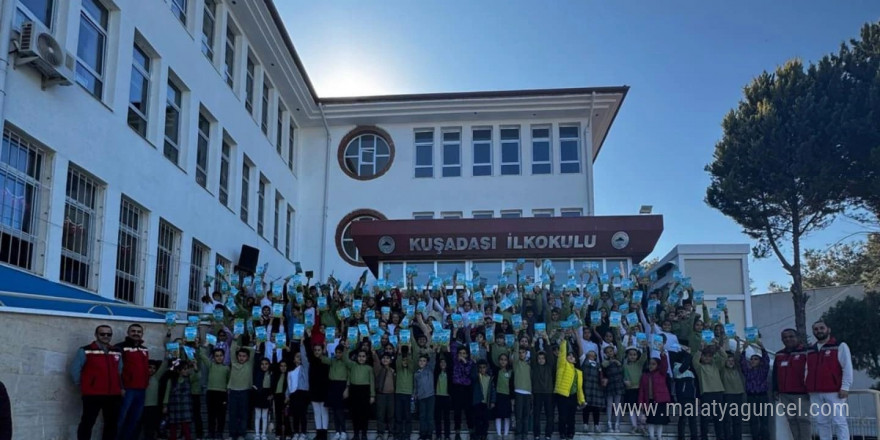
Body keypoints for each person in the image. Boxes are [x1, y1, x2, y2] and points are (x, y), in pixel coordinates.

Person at [70, 325, 123, 440]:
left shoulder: (116, 351)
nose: (105, 336)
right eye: (102, 334)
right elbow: (75, 369)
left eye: (108, 334)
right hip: (93, 394)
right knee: (87, 423)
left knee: (111, 424)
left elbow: (120, 371)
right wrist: (85, 385)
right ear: (96, 335)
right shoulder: (85, 350)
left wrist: (121, 388)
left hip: (113, 394)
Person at [805, 320, 853, 440]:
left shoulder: (839, 346)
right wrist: (807, 386)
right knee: (821, 422)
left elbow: (847, 367)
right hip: (815, 392)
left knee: (839, 421)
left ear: (828, 329)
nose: (819, 331)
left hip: (834, 391)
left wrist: (845, 387)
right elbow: (807, 370)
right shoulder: (811, 349)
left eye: (822, 328)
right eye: (816, 329)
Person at [772, 328, 811, 440]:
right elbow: (775, 373)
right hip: (785, 394)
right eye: (785, 337)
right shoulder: (779, 355)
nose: (788, 339)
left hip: (801, 394)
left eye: (791, 336)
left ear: (797, 337)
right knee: (792, 421)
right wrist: (775, 389)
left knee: (803, 420)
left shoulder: (805, 352)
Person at [115, 323, 150, 440]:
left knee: (134, 419)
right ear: (128, 333)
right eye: (133, 331)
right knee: (120, 419)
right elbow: (117, 369)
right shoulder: (119, 347)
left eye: (139, 331)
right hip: (127, 389)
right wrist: (121, 387)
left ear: (142, 334)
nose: (136, 333)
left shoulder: (144, 349)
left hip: (141, 390)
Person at [553, 340, 585, 440]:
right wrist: (563, 342)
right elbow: (562, 355)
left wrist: (582, 400)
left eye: (573, 356)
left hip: (573, 396)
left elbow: (579, 388)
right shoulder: (562, 365)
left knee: (571, 417)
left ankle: (571, 433)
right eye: (569, 355)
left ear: (575, 360)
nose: (570, 357)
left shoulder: (579, 372)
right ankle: (562, 433)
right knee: (562, 416)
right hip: (562, 395)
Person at [741, 338, 770, 440]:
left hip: (762, 396)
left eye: (756, 359)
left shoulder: (763, 370)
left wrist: (762, 347)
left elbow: (766, 360)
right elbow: (743, 362)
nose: (753, 361)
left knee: (764, 419)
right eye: (752, 359)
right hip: (751, 397)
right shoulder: (747, 371)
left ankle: (765, 437)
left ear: (760, 361)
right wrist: (744, 349)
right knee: (753, 420)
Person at [227, 334, 255, 440]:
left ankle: (241, 434)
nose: (241, 358)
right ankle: (232, 434)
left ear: (247, 358)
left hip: (245, 392)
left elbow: (252, 351)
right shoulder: (234, 363)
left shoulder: (249, 364)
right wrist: (234, 340)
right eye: (240, 356)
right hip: (233, 391)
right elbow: (232, 350)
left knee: (243, 414)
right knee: (233, 414)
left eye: (244, 356)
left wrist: (242, 348)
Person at [638, 350, 671, 440]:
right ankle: (652, 436)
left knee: (660, 421)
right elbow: (642, 391)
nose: (651, 366)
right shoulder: (644, 376)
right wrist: (641, 402)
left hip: (661, 400)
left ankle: (659, 437)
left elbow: (664, 366)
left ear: (658, 365)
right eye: (650, 364)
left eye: (653, 364)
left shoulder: (661, 374)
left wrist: (663, 356)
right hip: (650, 401)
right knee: (650, 420)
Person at [163, 360, 195, 440]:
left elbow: (196, 376)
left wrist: (194, 365)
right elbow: (167, 392)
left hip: (185, 406)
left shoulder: (189, 379)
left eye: (187, 368)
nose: (186, 370)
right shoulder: (172, 380)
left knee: (185, 426)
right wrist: (165, 405)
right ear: (178, 370)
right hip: (174, 405)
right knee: (173, 425)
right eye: (184, 369)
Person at [413, 350, 437, 440]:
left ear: (427, 363)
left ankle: (429, 434)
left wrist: (433, 351)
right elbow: (415, 386)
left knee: (429, 416)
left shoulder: (430, 370)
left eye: (424, 361)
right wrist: (415, 395)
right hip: (421, 397)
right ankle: (423, 433)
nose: (422, 362)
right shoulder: (416, 374)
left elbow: (433, 360)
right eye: (420, 360)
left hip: (430, 396)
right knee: (422, 416)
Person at [253, 358, 275, 440]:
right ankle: (257, 434)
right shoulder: (257, 373)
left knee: (265, 416)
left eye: (266, 364)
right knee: (258, 416)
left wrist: (271, 394)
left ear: (269, 365)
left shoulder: (271, 374)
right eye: (262, 364)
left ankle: (263, 434)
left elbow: (273, 385)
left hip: (267, 395)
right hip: (258, 395)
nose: (264, 365)